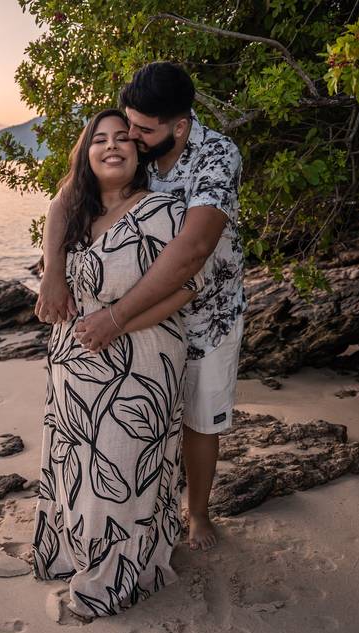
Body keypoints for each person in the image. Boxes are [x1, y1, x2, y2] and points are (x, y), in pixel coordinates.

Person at [35, 62, 246, 552]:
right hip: (137, 314)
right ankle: (142, 515)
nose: (130, 136)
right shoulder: (139, 146)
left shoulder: (217, 156)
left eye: (142, 130)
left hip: (207, 307)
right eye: (128, 125)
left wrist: (115, 317)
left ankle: (195, 513)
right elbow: (65, 199)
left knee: (198, 416)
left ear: (181, 126)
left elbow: (193, 253)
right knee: (145, 418)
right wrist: (52, 272)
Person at [32, 109, 204, 619]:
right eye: (99, 140)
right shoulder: (75, 215)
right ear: (85, 155)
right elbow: (57, 206)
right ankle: (73, 553)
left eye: (123, 138)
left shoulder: (164, 210)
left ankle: (113, 576)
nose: (112, 146)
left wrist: (117, 323)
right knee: (77, 466)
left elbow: (189, 287)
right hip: (72, 363)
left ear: (139, 151)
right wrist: (50, 272)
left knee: (120, 470)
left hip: (140, 364)